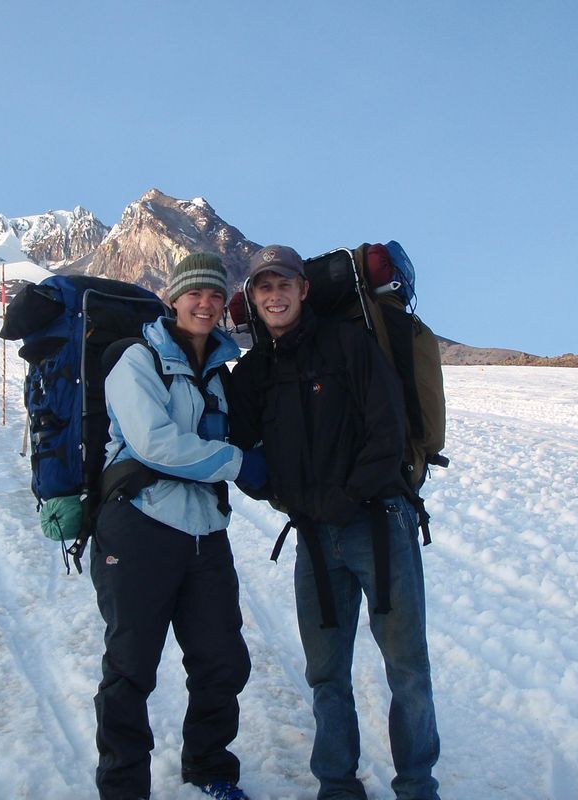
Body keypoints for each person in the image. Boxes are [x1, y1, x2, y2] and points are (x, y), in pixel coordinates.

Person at [227, 245, 441, 800]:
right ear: (253, 299)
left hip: (378, 524)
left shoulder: (349, 344)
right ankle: (337, 786)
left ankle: (417, 785)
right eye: (263, 287)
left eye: (284, 285)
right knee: (325, 674)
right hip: (314, 538)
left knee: (407, 668)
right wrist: (276, 491)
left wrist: (348, 496)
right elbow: (236, 441)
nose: (275, 295)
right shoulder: (253, 373)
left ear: (303, 291)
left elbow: (387, 428)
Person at [92, 253, 265, 800]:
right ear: (173, 298)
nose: (207, 304)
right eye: (195, 293)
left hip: (205, 532)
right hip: (139, 524)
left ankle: (210, 767)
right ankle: (123, 787)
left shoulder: (219, 371)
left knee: (222, 659)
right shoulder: (137, 361)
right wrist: (238, 463)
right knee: (131, 666)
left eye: (216, 295)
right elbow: (155, 444)